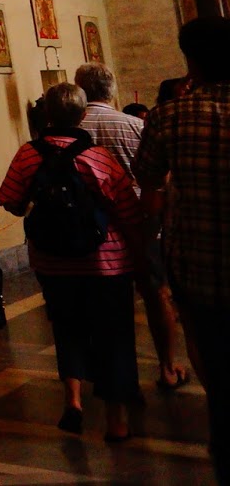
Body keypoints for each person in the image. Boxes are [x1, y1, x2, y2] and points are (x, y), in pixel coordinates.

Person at [0, 83, 147, 442]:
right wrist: (139, 254)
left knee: (67, 329)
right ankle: (115, 420)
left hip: (52, 262)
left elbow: (11, 201)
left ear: (47, 114)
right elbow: (127, 210)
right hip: (105, 263)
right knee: (113, 336)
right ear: (82, 115)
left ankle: (74, 401)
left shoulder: (28, 154)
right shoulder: (98, 156)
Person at [135, 16, 230, 484]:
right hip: (198, 264)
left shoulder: (168, 116)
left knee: (216, 364)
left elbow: (149, 185)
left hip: (199, 267)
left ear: (191, 61)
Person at [75, 62, 189, 390]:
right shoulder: (134, 125)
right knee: (155, 294)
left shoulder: (71, 127)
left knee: (100, 303)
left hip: (89, 229)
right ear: (112, 89)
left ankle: (108, 376)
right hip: (140, 222)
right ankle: (166, 366)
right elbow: (159, 176)